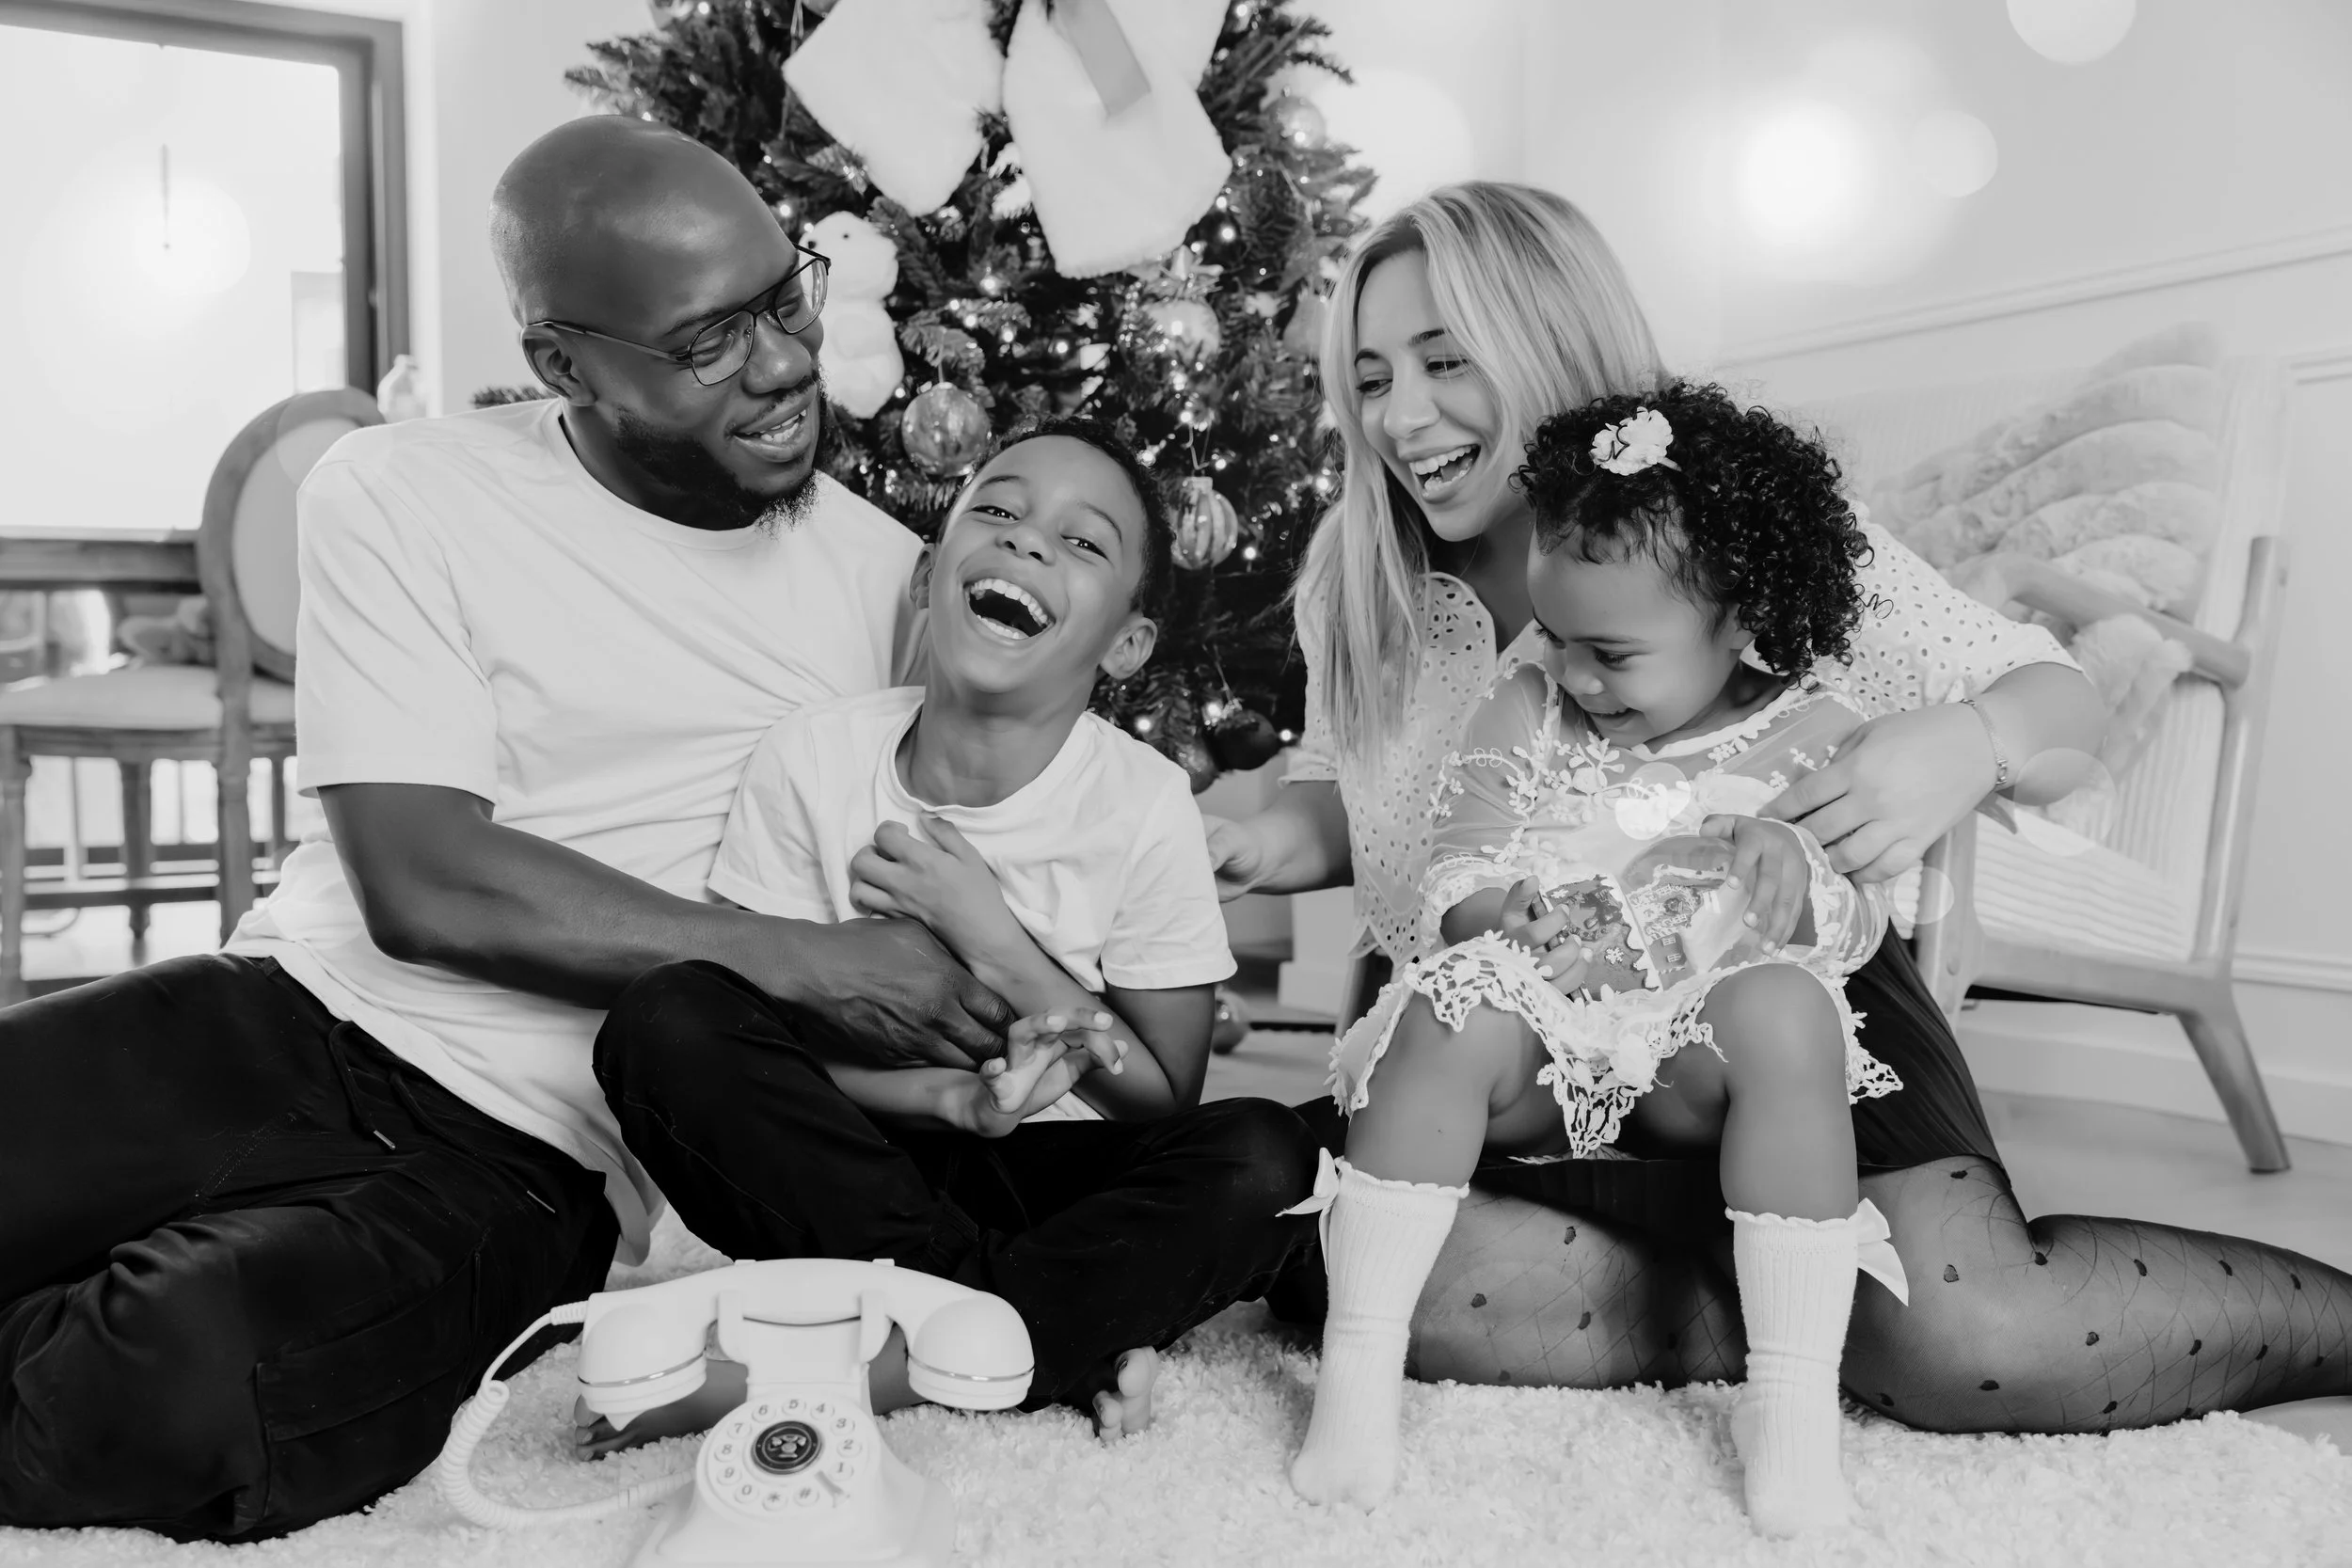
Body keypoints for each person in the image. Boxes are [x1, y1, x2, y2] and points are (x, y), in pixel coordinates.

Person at [0, 116, 1021, 1542]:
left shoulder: (892, 587)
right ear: (565, 364)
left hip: (525, 1153)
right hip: (278, 1015)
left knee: (173, 1387)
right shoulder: (405, 490)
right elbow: (423, 881)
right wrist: (799, 959)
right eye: (708, 340)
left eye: (785, 297)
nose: (786, 362)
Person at [1209, 180, 2352, 1437]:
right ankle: (1794, 1302)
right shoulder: (1353, 574)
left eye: (1443, 360)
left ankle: (1840, 1298)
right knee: (1379, 1277)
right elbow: (1361, 805)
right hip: (1512, 1016)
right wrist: (1260, 837)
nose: (1400, 416)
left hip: (1779, 983)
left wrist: (1970, 738)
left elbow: (2061, 701)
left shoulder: (1726, 522)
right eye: (1369, 378)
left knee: (1971, 1337)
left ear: (1551, 345)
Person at [586, 419, 1318, 1446]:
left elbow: (1160, 1092)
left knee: (1267, 1147)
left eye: (1082, 541)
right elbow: (761, 1040)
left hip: (1048, 1187)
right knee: (662, 1017)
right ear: (932, 574)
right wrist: (953, 1098)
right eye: (1001, 510)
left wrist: (994, 937)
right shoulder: (812, 759)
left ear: (1126, 644)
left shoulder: (1144, 800)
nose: (1027, 542)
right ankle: (1042, 1332)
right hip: (852, 1170)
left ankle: (893, 1363)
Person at [1290, 384, 1920, 1531]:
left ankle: (1786, 1408)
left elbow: (1859, 930)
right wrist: (1499, 916)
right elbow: (1449, 873)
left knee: (1790, 1009)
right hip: (1541, 1047)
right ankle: (1357, 1369)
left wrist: (1795, 874)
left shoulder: (1814, 738)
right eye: (1556, 636)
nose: (1573, 674)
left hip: (1692, 1064)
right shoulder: (1528, 704)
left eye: (1613, 652)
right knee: (1446, 1001)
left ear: (1741, 620)